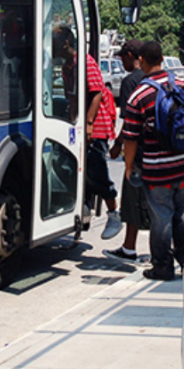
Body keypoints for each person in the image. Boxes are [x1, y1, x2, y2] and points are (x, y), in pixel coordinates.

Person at [122, 41, 184, 281]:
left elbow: (130, 137)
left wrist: (129, 166)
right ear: (163, 59)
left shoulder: (139, 96)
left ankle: (163, 266)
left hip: (158, 169)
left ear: (142, 60)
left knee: (161, 216)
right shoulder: (182, 85)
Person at [54, 26, 123, 238]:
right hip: (78, 125)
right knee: (69, 168)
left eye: (54, 41)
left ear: (66, 43)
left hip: (95, 127)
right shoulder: (67, 66)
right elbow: (72, 96)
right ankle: (81, 207)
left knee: (97, 171)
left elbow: (97, 93)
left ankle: (114, 213)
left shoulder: (85, 62)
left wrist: (89, 123)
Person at [105, 40, 151, 262]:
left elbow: (130, 122)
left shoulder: (130, 82)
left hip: (139, 151)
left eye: (122, 57)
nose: (121, 62)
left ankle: (130, 248)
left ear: (131, 55)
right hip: (159, 150)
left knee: (133, 201)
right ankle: (143, 247)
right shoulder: (154, 78)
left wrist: (118, 145)